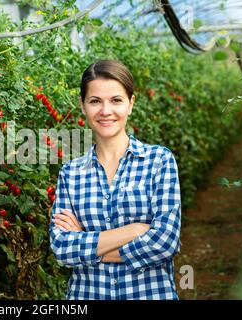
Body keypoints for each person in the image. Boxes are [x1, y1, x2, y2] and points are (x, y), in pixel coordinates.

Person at [49, 59, 182, 300]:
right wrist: (134, 231)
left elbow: (165, 243)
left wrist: (85, 242)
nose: (105, 111)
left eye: (116, 100)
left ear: (131, 104)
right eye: (95, 101)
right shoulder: (70, 174)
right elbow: (62, 249)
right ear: (82, 105)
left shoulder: (159, 161)